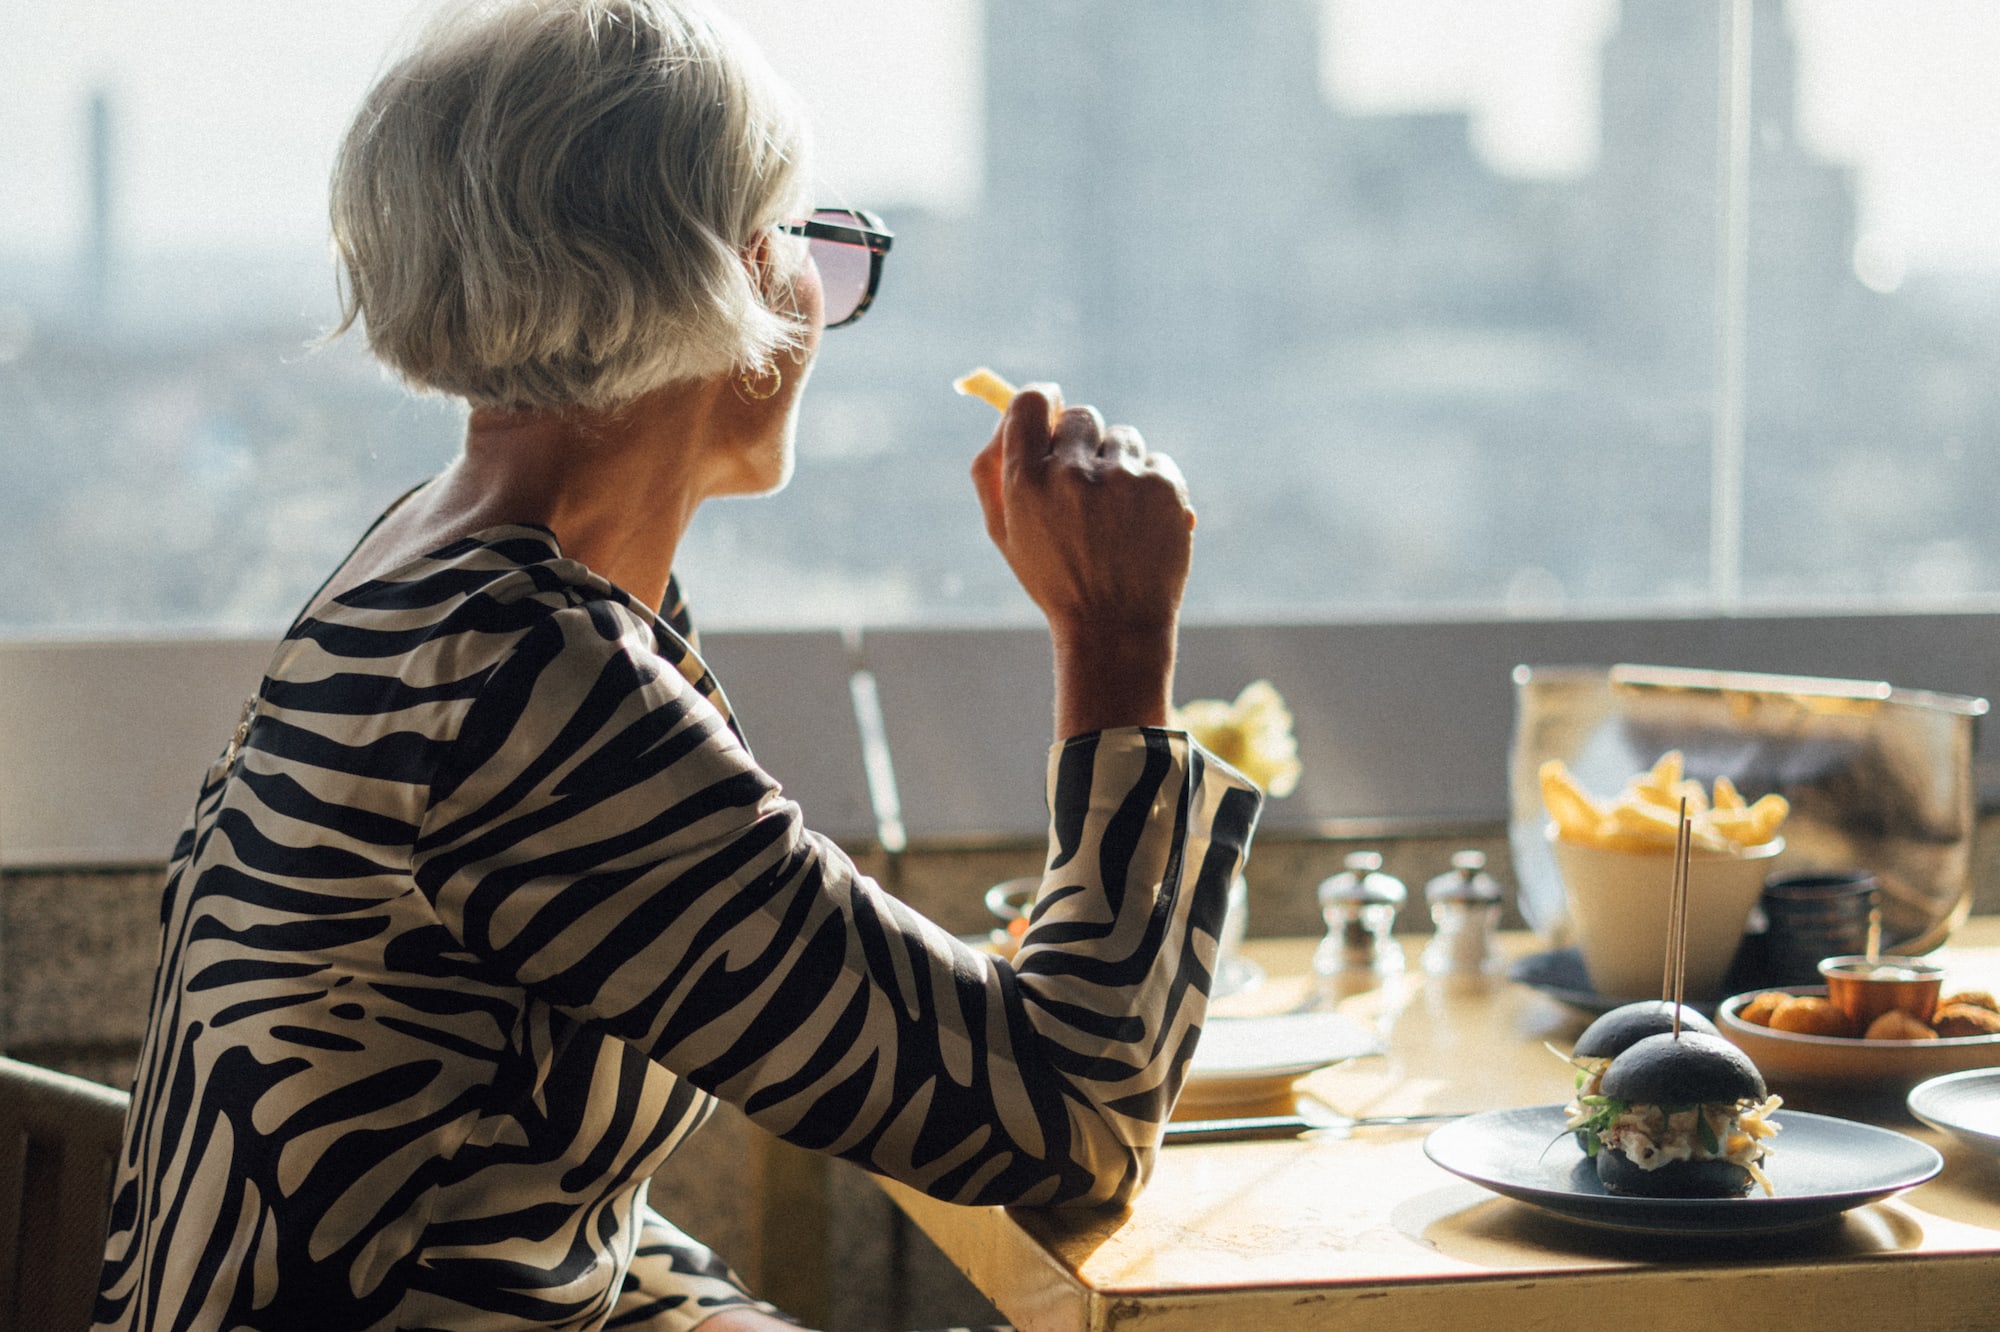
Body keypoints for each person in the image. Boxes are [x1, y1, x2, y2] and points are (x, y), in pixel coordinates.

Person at [93, 2, 1261, 1329]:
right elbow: (1067, 1125)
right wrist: (1115, 639)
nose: (823, 295)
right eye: (806, 237)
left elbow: (517, 1201)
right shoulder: (527, 679)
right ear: (734, 276)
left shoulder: (426, 576)